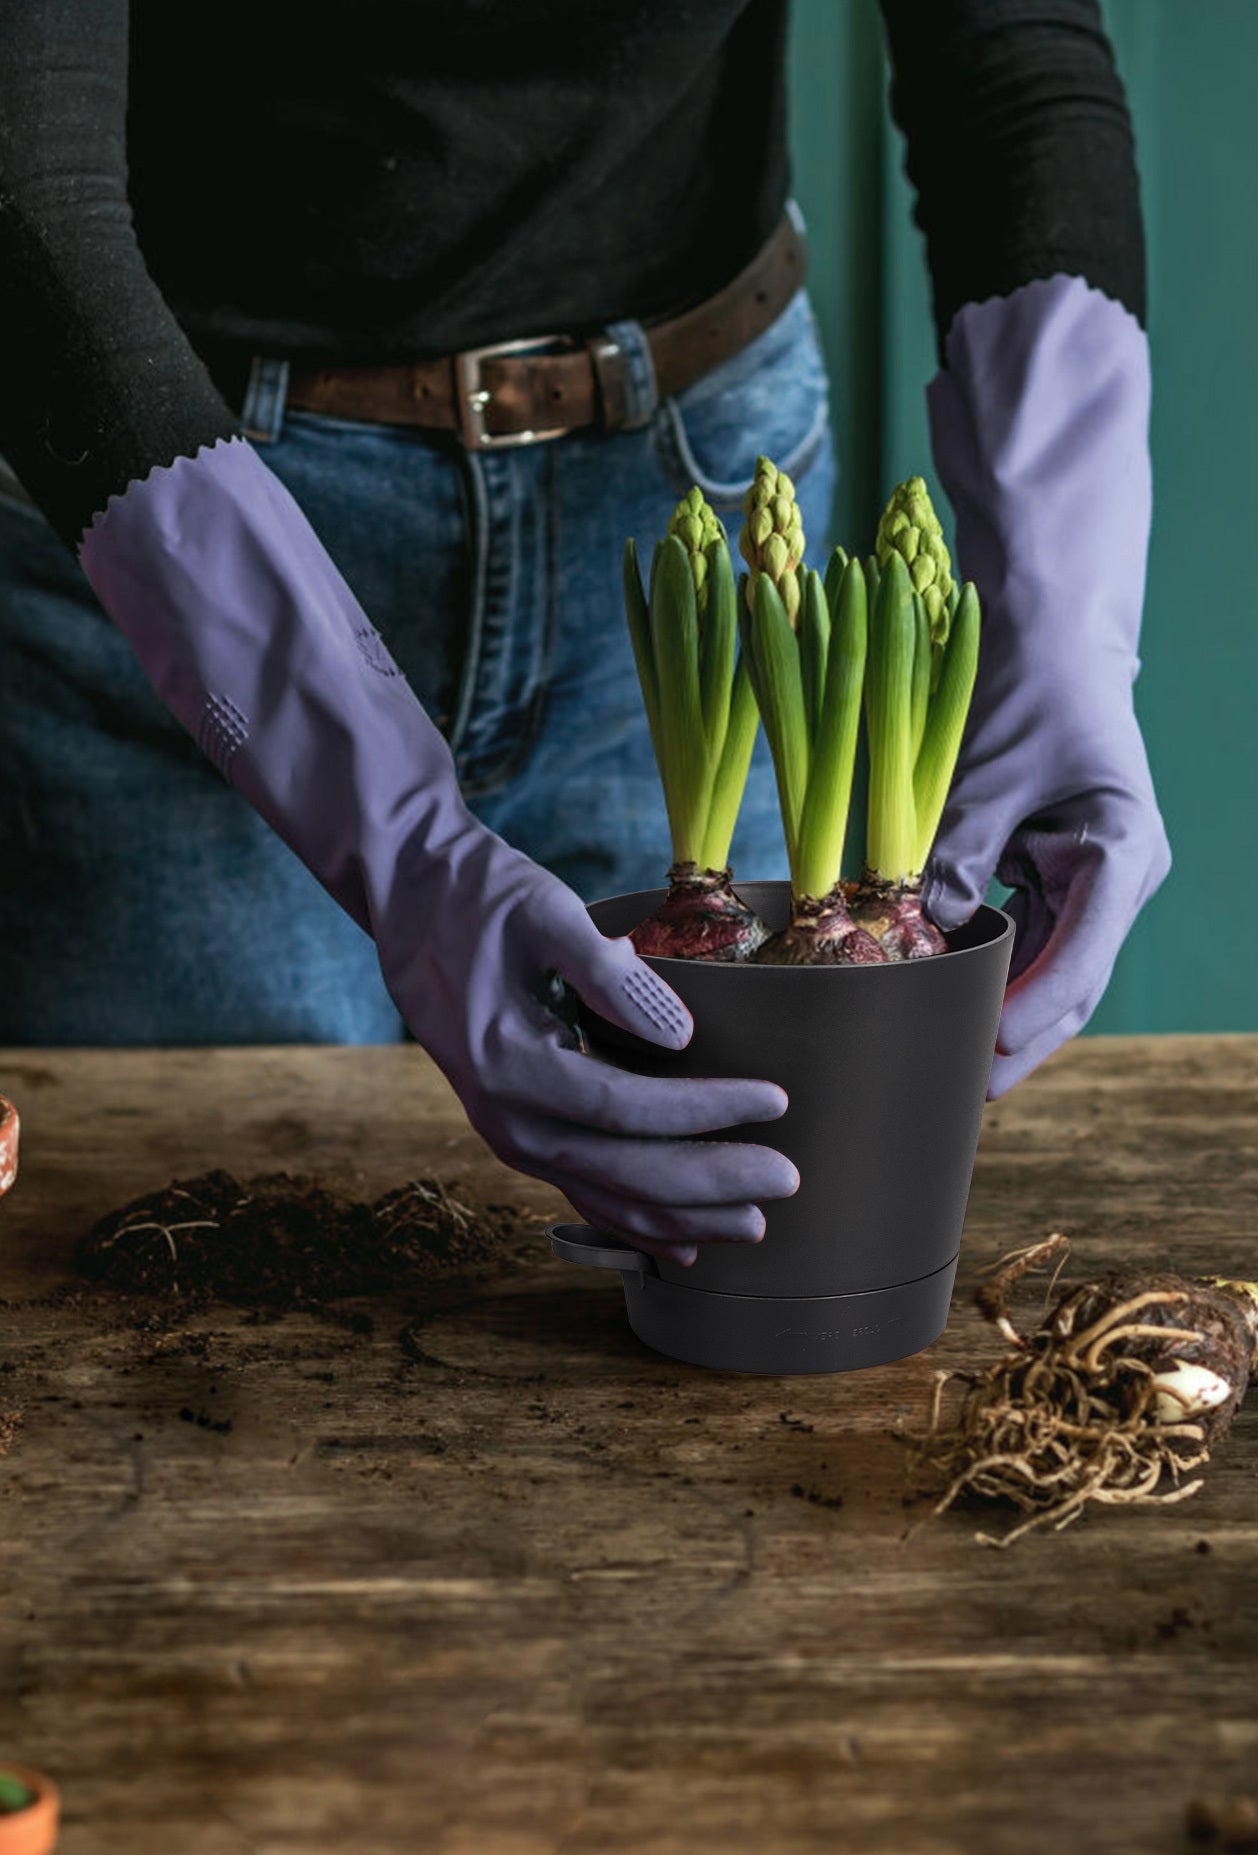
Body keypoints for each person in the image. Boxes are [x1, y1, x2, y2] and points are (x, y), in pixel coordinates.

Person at [0, 1, 1168, 1261]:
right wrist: (401, 838)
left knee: (726, 1261)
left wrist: (1063, 630)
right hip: (162, 521)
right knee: (188, 1253)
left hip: (695, 511)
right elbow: (29, 184)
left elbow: (1011, 59)